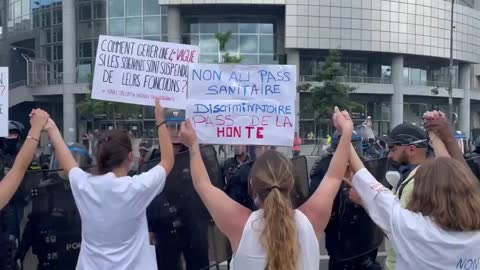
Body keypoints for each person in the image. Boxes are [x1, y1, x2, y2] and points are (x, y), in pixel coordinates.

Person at [180, 106, 353, 269]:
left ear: (251, 185)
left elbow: (202, 184)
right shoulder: (312, 219)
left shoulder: (240, 224)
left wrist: (193, 146)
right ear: (291, 182)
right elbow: (333, 177)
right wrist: (345, 132)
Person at [44, 98, 174, 270]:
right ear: (129, 157)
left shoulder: (85, 185)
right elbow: (167, 160)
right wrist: (160, 119)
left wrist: (51, 127)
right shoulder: (137, 187)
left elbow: (68, 164)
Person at [346, 122, 480, 270]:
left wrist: (345, 133)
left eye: (392, 148)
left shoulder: (416, 230)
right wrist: (435, 135)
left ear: (426, 192)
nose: (389, 154)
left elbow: (372, 189)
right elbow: (454, 175)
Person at [309, 132, 383, 270]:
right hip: (340, 239)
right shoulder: (324, 166)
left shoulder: (366, 165)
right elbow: (315, 198)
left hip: (365, 238)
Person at [16, 144, 91, 270]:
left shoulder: (91, 192)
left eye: (73, 161)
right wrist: (20, 252)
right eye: (62, 161)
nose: (65, 166)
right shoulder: (45, 191)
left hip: (82, 261)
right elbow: (33, 223)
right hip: (50, 261)